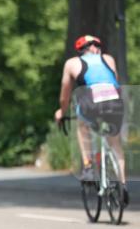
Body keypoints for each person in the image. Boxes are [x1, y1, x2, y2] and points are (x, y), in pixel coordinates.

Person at [54, 35, 128, 204]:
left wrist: (61, 112)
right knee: (115, 143)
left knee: (81, 125)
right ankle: (122, 185)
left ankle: (88, 166)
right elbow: (114, 82)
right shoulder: (108, 59)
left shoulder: (72, 63)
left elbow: (65, 96)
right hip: (114, 103)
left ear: (80, 51)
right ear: (97, 48)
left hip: (92, 104)